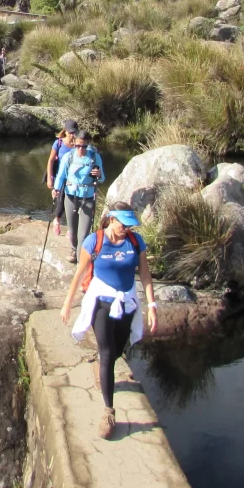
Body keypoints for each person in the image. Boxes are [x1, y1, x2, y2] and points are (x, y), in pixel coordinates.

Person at [60, 203, 157, 439]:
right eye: (123, 223)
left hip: (126, 302)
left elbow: (144, 274)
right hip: (101, 301)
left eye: (129, 224)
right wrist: (67, 303)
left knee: (115, 352)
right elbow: (80, 273)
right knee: (105, 352)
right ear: (111, 219)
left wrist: (152, 306)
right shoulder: (95, 241)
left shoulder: (136, 242)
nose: (126, 228)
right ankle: (108, 411)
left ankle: (101, 369)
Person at [52, 129, 104, 263]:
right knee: (73, 232)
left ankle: (81, 265)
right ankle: (74, 249)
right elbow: (61, 176)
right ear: (74, 143)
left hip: (87, 198)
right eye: (78, 146)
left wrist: (98, 175)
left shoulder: (94, 157)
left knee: (84, 235)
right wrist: (56, 189)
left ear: (88, 144)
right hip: (70, 197)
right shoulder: (68, 157)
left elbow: (102, 178)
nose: (81, 149)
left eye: (84, 146)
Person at [45, 120, 79, 237]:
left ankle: (71, 227)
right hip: (60, 178)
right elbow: (50, 161)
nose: (72, 135)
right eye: (70, 132)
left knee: (74, 203)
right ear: (65, 131)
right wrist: (50, 179)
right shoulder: (58, 143)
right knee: (60, 203)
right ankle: (57, 221)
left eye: (74, 132)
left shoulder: (79, 144)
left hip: (74, 179)